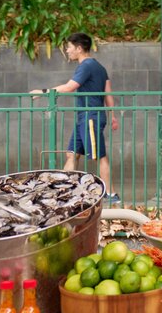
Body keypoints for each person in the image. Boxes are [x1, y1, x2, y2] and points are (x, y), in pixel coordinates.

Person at [30, 32, 120, 203]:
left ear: (79, 48)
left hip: (90, 116)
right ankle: (65, 191)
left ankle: (111, 195)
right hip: (85, 117)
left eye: (69, 47)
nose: (67, 50)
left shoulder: (86, 66)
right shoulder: (100, 67)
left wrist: (43, 92)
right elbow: (108, 93)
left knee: (100, 156)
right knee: (71, 154)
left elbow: (70, 87)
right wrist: (113, 116)